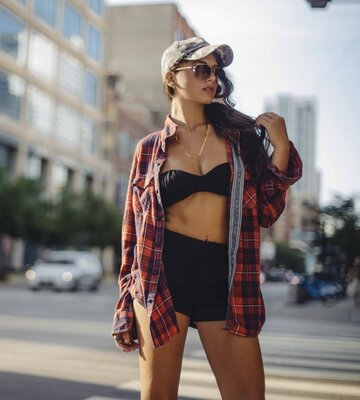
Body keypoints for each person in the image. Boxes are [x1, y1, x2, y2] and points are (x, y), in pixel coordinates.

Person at [111, 37, 303, 399]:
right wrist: (125, 303)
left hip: (226, 276)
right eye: (201, 69)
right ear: (171, 77)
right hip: (162, 275)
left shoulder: (239, 140)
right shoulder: (150, 148)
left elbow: (266, 211)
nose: (211, 78)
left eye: (215, 71)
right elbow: (132, 234)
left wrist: (280, 148)